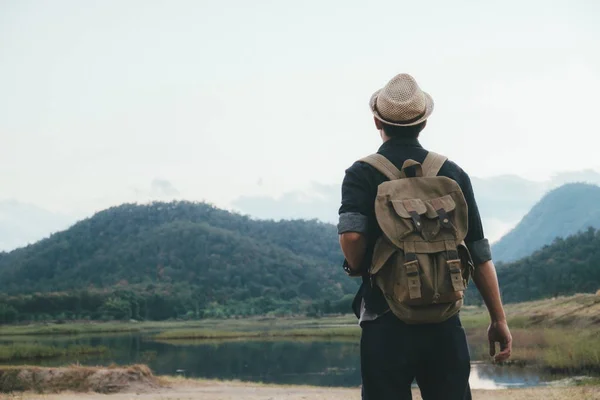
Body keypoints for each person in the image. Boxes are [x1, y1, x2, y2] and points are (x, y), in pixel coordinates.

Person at [337, 73, 512, 400]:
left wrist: (358, 266)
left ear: (377, 121)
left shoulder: (361, 173)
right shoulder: (452, 173)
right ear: (424, 123)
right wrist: (498, 318)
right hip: (444, 320)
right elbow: (479, 253)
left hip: (383, 318)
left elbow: (351, 237)